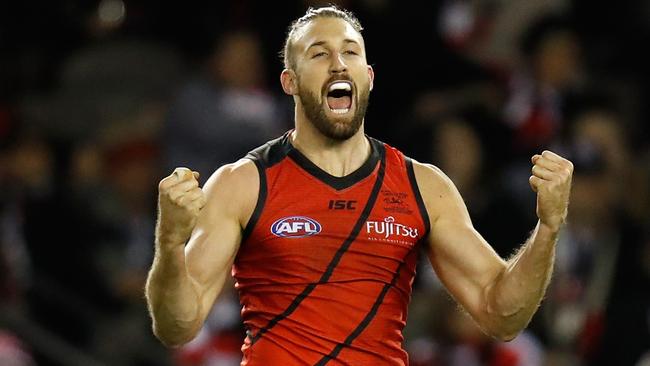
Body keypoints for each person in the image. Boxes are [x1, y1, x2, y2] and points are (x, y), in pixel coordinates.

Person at [145, 6, 573, 365]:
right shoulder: (243, 183)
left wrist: (548, 228)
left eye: (350, 51)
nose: (337, 63)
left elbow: (502, 314)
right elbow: (177, 326)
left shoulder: (422, 186)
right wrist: (169, 241)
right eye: (319, 53)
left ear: (367, 76)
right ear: (289, 81)